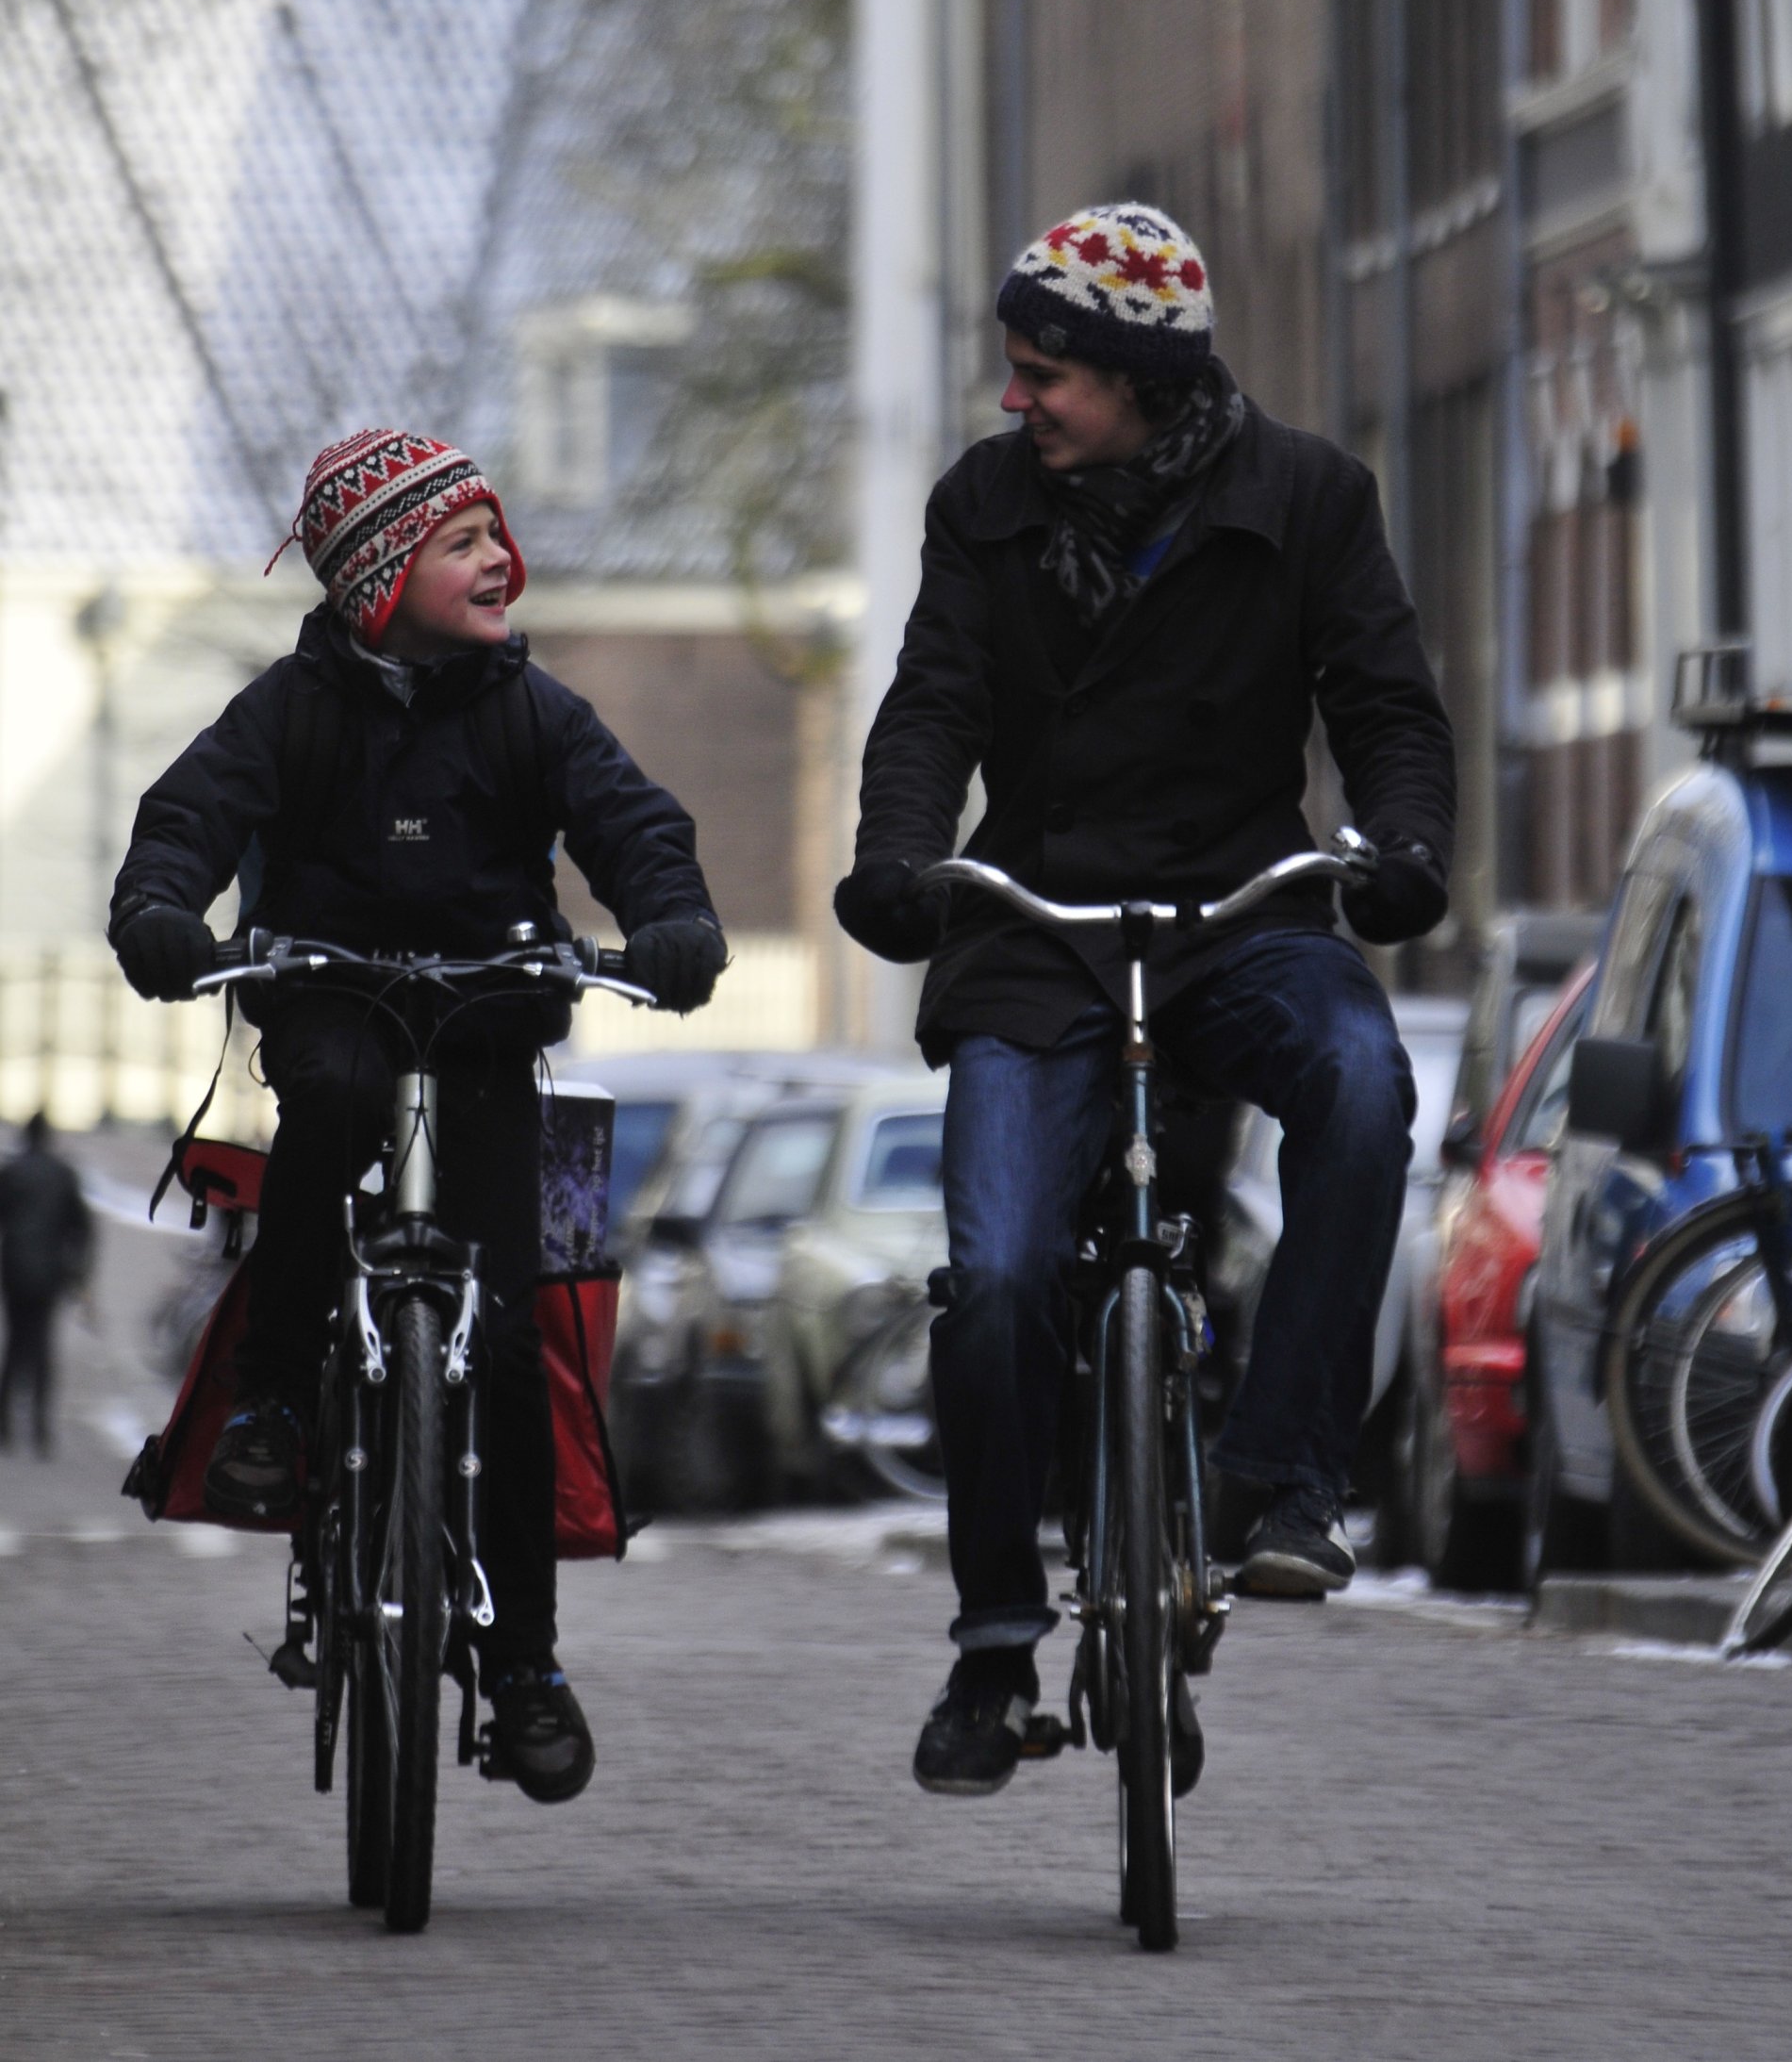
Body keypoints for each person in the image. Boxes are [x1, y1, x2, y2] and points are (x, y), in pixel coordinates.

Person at [833, 203, 1455, 1796]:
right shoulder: (981, 507)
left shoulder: (1307, 497)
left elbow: (1383, 705)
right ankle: (988, 1646)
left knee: (1362, 1087)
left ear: (1135, 375)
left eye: (1045, 371)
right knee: (994, 1277)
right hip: (1035, 920)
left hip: (1236, 907)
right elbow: (933, 701)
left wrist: (1397, 846)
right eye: (1012, 367)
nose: (1014, 399)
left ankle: (1281, 1470)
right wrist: (899, 854)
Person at [109, 429, 727, 1803]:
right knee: (322, 1098)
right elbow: (187, 818)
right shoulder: (290, 706)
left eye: (496, 532)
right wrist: (164, 906)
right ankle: (273, 1397)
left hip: (488, 1022)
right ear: (380, 577)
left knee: (506, 1341)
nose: (502, 557)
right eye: (464, 541)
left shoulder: (532, 709)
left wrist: (671, 917)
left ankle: (525, 1666)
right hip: (330, 997)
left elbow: (634, 823)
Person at [0, 1113, 94, 1459]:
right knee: (41, 1346)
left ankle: (5, 1425)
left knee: (14, 1343)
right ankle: (39, 1428)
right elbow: (82, 1227)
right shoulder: (63, 1174)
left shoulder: (12, 1173)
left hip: (13, 1270)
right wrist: (79, 1272)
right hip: (49, 1275)